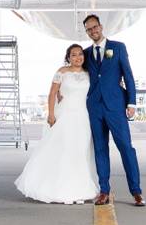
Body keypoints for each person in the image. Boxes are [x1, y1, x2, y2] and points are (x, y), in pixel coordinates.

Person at [14, 44, 97, 204]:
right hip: (64, 115)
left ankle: (79, 189)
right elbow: (52, 93)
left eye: (80, 54)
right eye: (73, 55)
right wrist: (51, 114)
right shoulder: (62, 72)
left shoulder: (88, 73)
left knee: (80, 151)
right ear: (68, 57)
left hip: (82, 117)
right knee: (64, 149)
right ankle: (60, 189)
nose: (78, 57)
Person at [83, 14, 145, 206]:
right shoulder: (85, 53)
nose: (93, 31)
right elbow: (75, 72)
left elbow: (128, 74)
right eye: (89, 29)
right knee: (100, 149)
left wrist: (132, 103)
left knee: (126, 147)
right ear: (86, 32)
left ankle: (136, 192)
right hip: (95, 108)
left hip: (116, 106)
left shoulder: (118, 47)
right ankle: (104, 191)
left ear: (101, 27)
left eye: (95, 27)